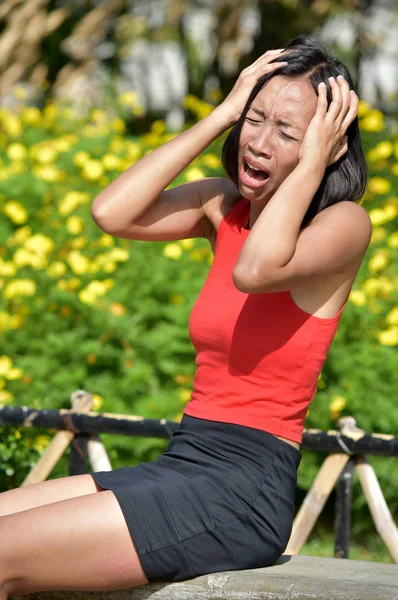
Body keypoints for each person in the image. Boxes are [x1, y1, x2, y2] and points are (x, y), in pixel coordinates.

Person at [0, 34, 371, 597]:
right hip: (182, 462)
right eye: (255, 119)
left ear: (328, 144)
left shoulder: (342, 225)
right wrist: (222, 113)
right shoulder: (222, 207)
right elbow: (111, 211)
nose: (260, 143)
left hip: (241, 493)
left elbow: (256, 270)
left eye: (288, 132)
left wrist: (315, 161)